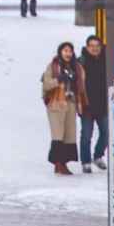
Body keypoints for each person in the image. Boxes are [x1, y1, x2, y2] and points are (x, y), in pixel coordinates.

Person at [42, 42, 83, 175]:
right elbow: (46, 84)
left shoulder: (76, 67)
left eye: (70, 51)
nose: (68, 53)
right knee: (58, 134)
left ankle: (64, 162)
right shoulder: (53, 66)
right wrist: (59, 79)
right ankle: (58, 163)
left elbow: (82, 86)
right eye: (65, 51)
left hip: (70, 103)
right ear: (60, 52)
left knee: (69, 134)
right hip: (56, 104)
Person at [78, 34, 108, 171]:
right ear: (87, 47)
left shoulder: (107, 61)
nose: (95, 49)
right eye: (92, 46)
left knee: (107, 133)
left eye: (97, 46)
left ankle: (97, 156)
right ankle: (85, 162)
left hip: (103, 104)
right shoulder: (81, 62)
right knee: (86, 136)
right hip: (86, 105)